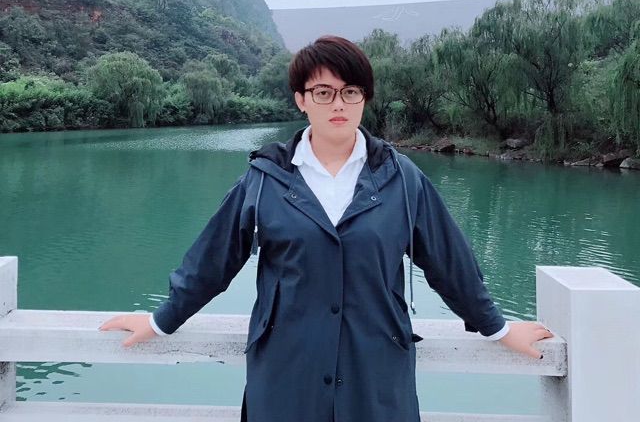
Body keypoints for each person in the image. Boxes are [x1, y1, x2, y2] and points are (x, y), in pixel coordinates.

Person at [99, 35, 553, 422]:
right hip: (286, 369)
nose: (338, 103)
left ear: (364, 99)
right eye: (323, 92)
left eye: (350, 91)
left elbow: (449, 262)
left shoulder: (401, 178)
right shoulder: (266, 178)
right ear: (301, 100)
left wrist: (497, 328)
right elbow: (213, 260)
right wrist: (162, 320)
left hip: (375, 369)